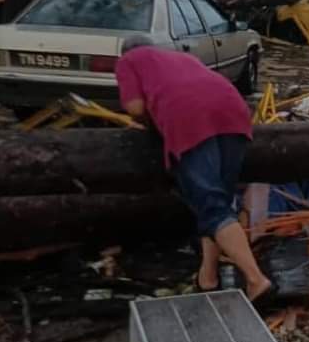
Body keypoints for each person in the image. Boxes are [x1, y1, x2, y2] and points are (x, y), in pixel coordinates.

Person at [115, 34, 271, 301]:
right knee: (217, 200)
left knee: (210, 204)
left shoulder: (128, 61)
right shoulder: (182, 57)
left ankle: (256, 280)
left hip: (189, 119)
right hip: (233, 111)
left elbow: (135, 106)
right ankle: (207, 278)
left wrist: (150, 123)